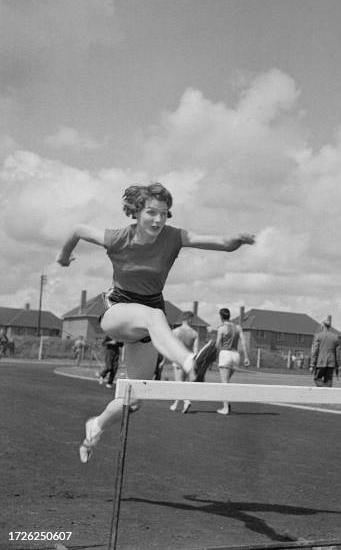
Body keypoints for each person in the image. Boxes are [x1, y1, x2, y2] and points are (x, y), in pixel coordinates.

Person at [56, 182, 255, 462]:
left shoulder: (172, 237)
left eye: (164, 213)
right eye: (152, 212)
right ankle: (189, 363)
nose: (159, 219)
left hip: (149, 327)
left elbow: (219, 243)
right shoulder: (117, 238)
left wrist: (234, 242)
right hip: (118, 312)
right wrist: (63, 257)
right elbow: (77, 229)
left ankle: (95, 427)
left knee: (133, 397)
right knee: (155, 315)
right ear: (136, 212)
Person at [215, 308, 250, 415]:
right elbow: (243, 343)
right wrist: (246, 357)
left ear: (221, 317)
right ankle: (227, 403)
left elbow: (217, 345)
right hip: (236, 355)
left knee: (224, 383)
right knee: (227, 381)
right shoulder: (238, 327)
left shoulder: (221, 328)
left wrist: (214, 356)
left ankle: (225, 408)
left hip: (225, 354)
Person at [169, 311, 198, 413]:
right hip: (189, 359)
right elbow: (195, 351)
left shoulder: (175, 332)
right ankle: (176, 404)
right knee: (183, 383)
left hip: (179, 358)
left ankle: (186, 401)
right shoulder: (194, 333)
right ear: (189, 319)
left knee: (179, 382)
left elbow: (171, 347)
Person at [309, 316, 341, 387]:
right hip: (331, 363)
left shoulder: (318, 336)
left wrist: (312, 365)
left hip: (320, 362)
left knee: (317, 379)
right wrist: (338, 365)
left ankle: (323, 389)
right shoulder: (335, 337)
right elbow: (338, 354)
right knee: (329, 381)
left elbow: (315, 352)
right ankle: (327, 393)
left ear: (323, 325)